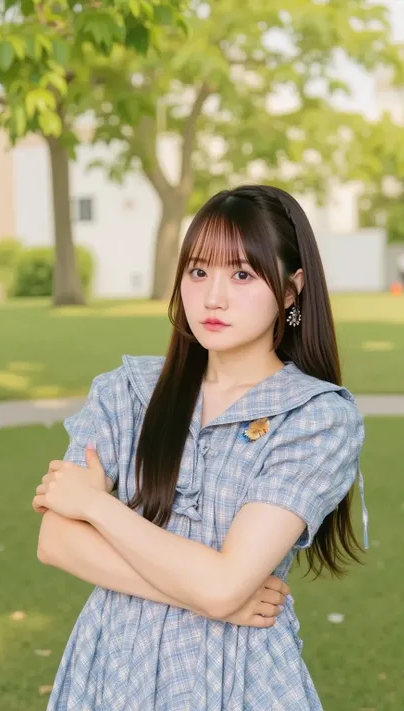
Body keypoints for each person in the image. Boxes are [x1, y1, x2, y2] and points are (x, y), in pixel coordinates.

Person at [33, 184, 368, 711]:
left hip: (238, 676)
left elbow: (223, 585)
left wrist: (97, 506)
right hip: (113, 667)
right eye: (197, 271)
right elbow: (56, 541)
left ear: (290, 289)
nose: (213, 297)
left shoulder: (316, 417)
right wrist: (218, 599)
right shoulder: (128, 392)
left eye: (241, 274)